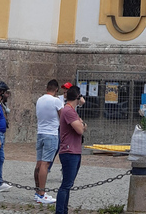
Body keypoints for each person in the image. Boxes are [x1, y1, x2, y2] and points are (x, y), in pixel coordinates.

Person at [56, 85, 87, 214]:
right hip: (69, 152)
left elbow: (82, 124)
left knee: (68, 184)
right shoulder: (68, 111)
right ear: (77, 97)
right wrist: (82, 125)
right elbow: (80, 128)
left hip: (75, 151)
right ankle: (60, 211)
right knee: (66, 185)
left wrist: (82, 124)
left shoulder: (71, 111)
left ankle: (64, 210)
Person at [34, 79, 63, 204]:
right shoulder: (56, 101)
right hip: (51, 134)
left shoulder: (39, 100)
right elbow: (63, 117)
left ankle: (37, 191)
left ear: (47, 88)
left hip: (40, 132)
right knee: (45, 165)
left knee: (39, 163)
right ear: (56, 89)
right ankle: (42, 193)